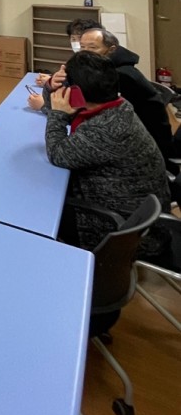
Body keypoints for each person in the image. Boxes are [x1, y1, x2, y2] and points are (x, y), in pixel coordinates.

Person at [43, 51, 170, 260]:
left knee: (39, 208)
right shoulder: (115, 105)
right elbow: (62, 110)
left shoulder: (106, 128)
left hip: (116, 229)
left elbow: (57, 153)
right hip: (131, 212)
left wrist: (57, 114)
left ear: (76, 94)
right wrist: (51, 88)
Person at [78, 26, 177, 163]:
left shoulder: (120, 75)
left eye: (92, 48)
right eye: (82, 47)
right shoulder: (109, 67)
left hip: (146, 145)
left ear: (111, 49)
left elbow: (99, 112)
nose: (85, 53)